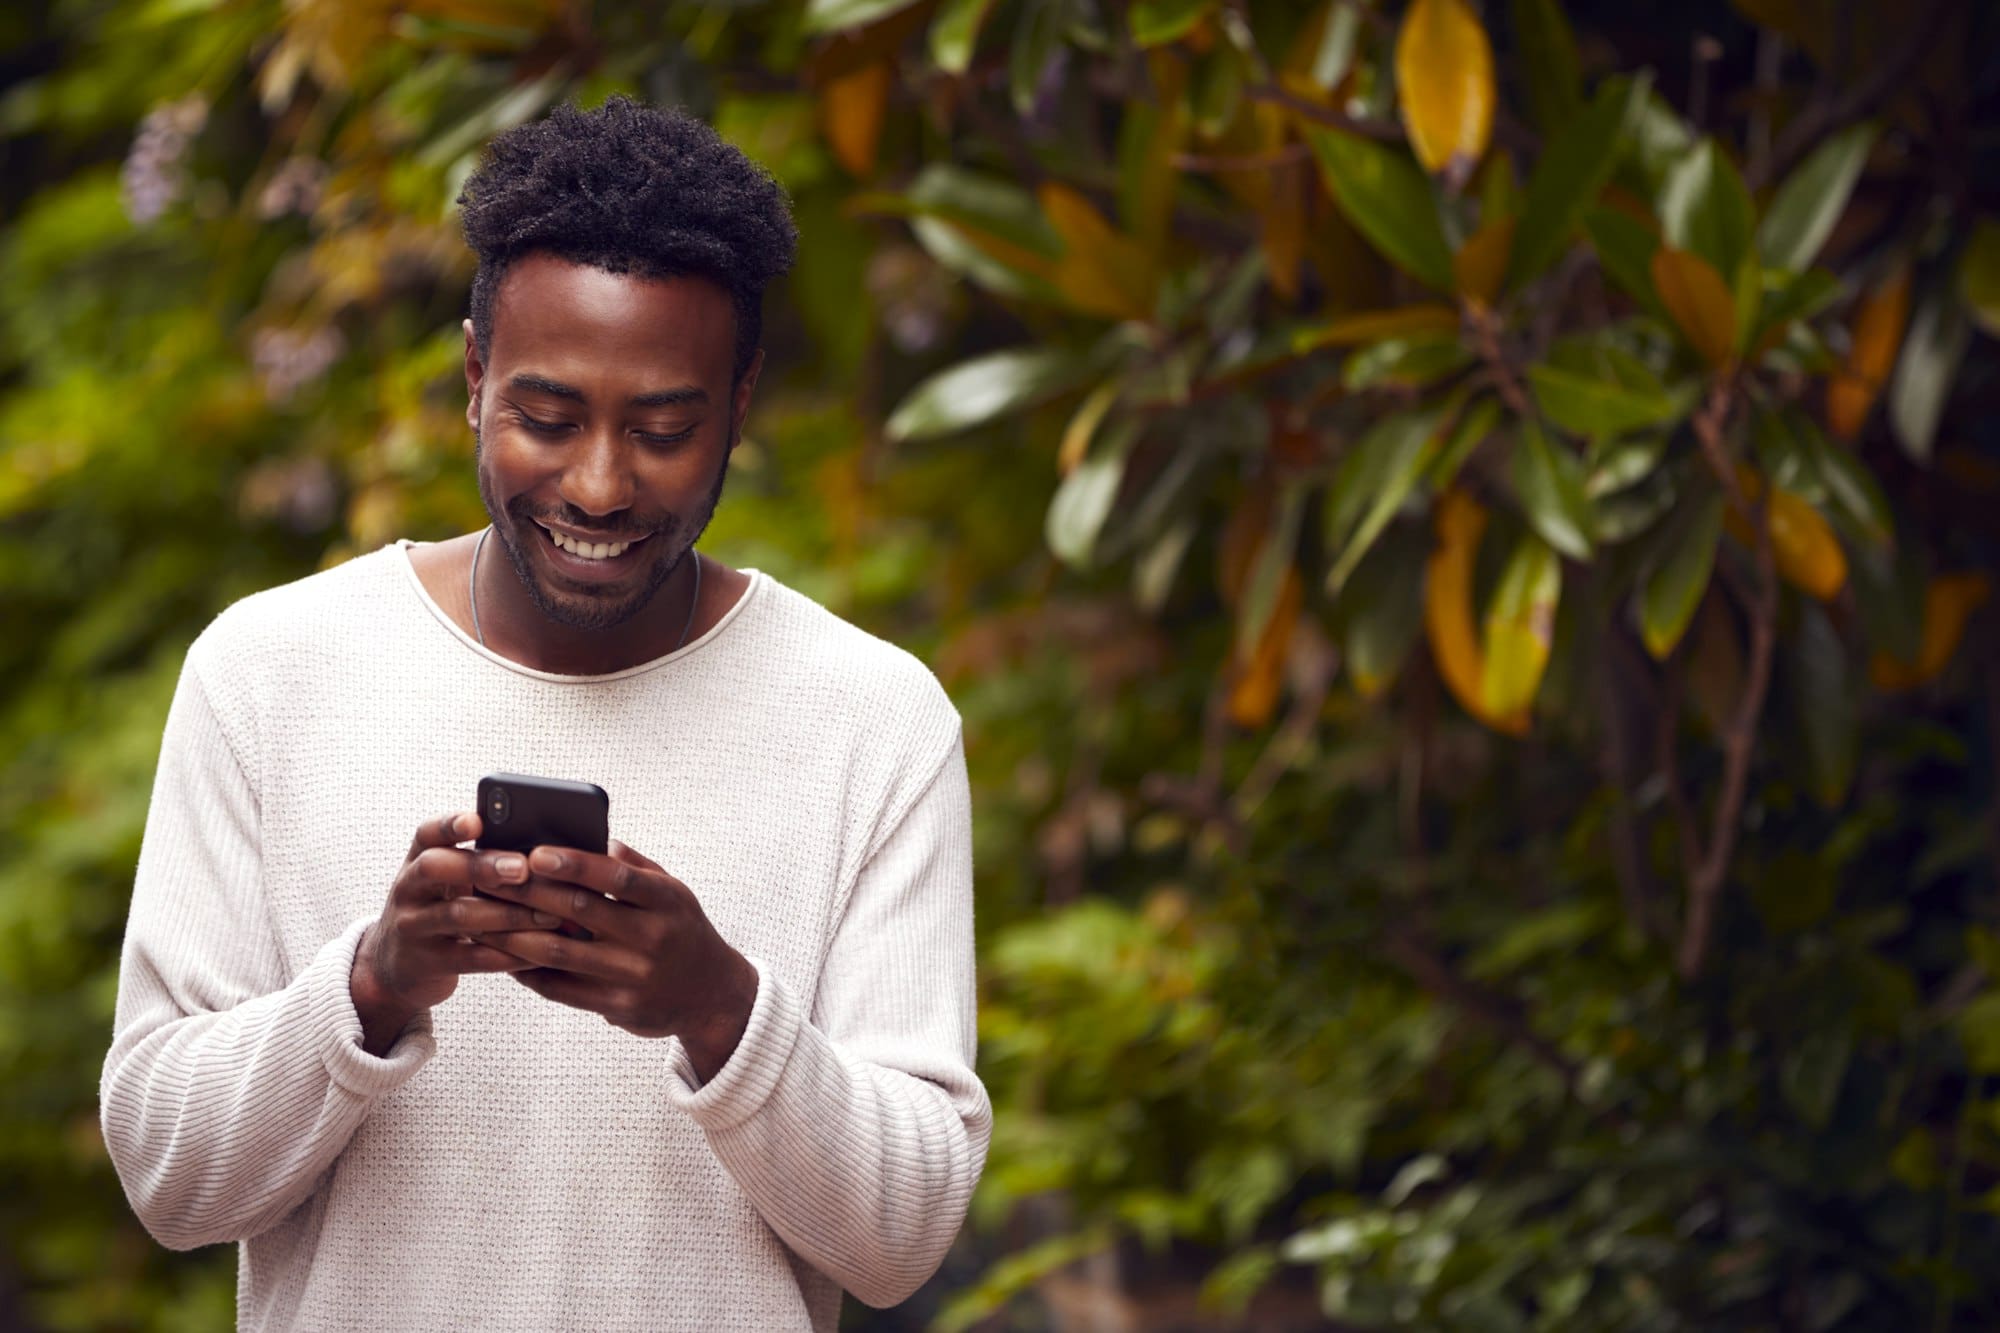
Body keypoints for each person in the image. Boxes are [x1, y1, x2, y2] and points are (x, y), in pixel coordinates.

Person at [99, 97, 989, 1332]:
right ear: (473, 380)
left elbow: (902, 1238)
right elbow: (166, 1176)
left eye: (664, 429)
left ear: (740, 404)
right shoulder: (268, 670)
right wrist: (370, 984)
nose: (600, 483)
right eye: (548, 417)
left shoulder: (871, 719)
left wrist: (716, 1005)